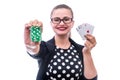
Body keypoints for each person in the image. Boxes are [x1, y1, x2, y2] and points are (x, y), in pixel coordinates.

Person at [24, 4, 97, 80]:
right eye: (56, 20)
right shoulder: (44, 47)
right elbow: (34, 49)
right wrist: (30, 45)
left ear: (72, 23)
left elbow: (92, 79)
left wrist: (87, 52)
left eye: (66, 19)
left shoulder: (81, 50)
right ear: (51, 23)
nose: (61, 23)